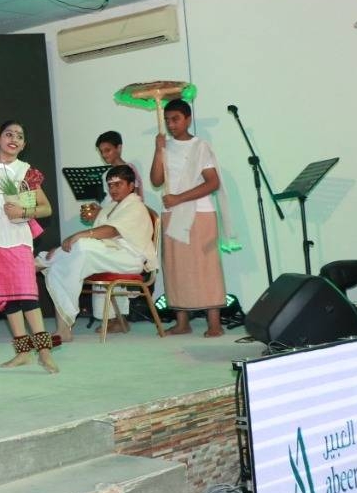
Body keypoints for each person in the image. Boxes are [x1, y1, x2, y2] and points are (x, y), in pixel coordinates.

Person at [0, 121, 58, 373]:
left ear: (24, 144)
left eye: (19, 136)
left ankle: (45, 352)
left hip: (16, 238)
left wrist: (23, 210)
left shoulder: (27, 172)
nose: (14, 139)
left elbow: (46, 208)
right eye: (9, 134)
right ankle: (22, 352)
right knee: (6, 297)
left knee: (27, 295)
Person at [40, 165, 154, 342]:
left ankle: (40, 261)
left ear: (131, 186)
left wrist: (76, 236)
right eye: (110, 185)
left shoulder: (136, 207)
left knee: (81, 246)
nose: (113, 188)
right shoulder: (111, 207)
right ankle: (63, 330)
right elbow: (101, 234)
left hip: (130, 258)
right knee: (61, 266)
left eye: (118, 184)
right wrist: (68, 246)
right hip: (110, 253)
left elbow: (111, 231)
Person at [150, 99, 225, 337]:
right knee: (176, 268)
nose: (171, 124)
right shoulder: (166, 147)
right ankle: (182, 322)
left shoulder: (200, 146)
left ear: (188, 119)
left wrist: (179, 198)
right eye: (168, 120)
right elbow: (156, 180)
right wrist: (158, 149)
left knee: (206, 267)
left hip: (200, 212)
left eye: (176, 119)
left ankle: (215, 323)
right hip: (172, 213)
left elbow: (213, 182)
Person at [79, 131, 145, 325]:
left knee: (102, 252)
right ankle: (110, 318)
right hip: (111, 229)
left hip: (125, 233)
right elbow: (110, 207)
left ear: (119, 148)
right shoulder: (107, 174)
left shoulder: (129, 171)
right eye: (101, 152)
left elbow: (134, 202)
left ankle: (118, 318)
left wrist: (108, 216)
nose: (105, 155)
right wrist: (96, 213)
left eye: (108, 150)